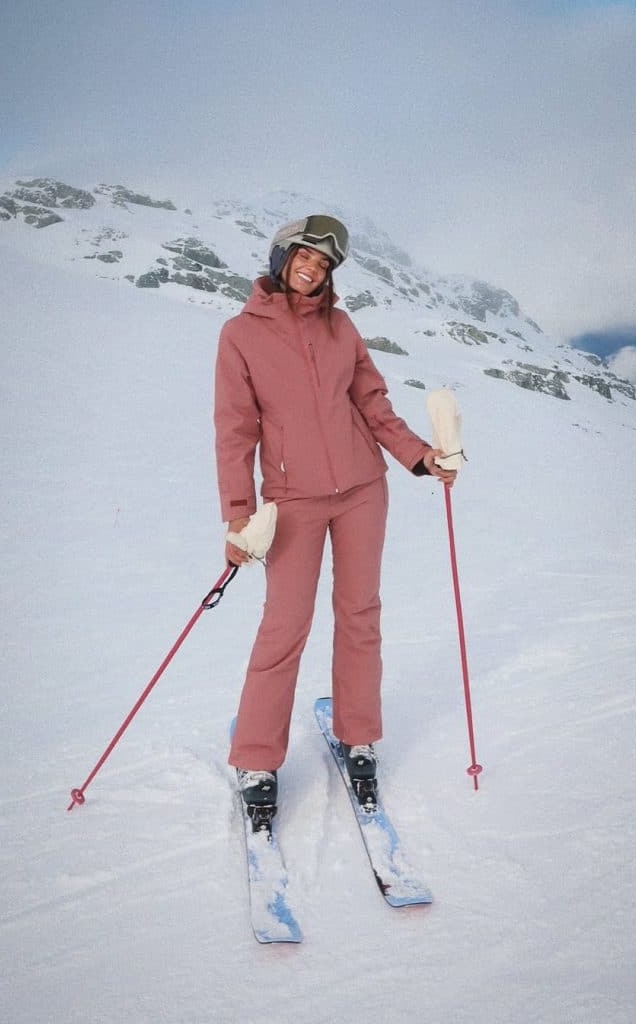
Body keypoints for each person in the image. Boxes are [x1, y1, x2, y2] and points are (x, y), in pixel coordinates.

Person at [213, 214, 456, 814]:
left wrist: (418, 457)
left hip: (362, 489)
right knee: (285, 624)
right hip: (291, 502)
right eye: (305, 256)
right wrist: (239, 519)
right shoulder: (240, 335)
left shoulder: (341, 327)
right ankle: (256, 759)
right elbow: (235, 433)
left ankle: (359, 737)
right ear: (283, 257)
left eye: (324, 265)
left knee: (360, 614)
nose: (313, 269)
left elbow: (373, 403)